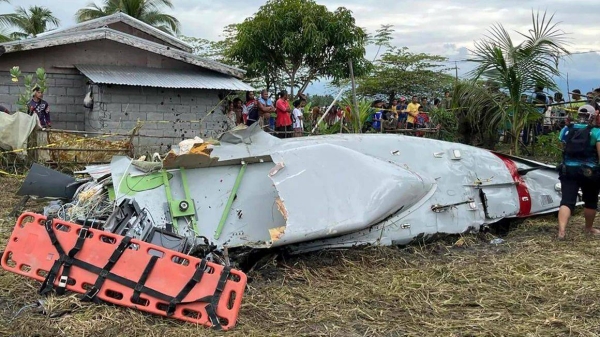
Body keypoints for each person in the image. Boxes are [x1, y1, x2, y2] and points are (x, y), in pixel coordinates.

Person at [556, 105, 600, 239]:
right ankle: (588, 228)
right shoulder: (596, 132)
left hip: (568, 170)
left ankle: (562, 231)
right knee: (590, 201)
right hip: (590, 172)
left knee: (567, 201)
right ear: (592, 116)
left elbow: (562, 148)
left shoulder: (566, 129)